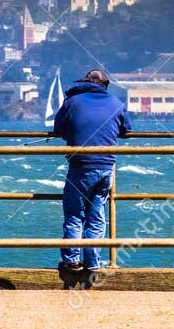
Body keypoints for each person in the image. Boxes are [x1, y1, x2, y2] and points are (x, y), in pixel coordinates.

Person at [52, 69, 130, 288]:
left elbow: (59, 128)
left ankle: (72, 261)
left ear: (86, 82)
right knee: (97, 215)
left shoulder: (72, 101)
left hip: (80, 165)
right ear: (105, 85)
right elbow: (125, 129)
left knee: (74, 214)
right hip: (106, 166)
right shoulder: (116, 102)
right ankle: (93, 263)